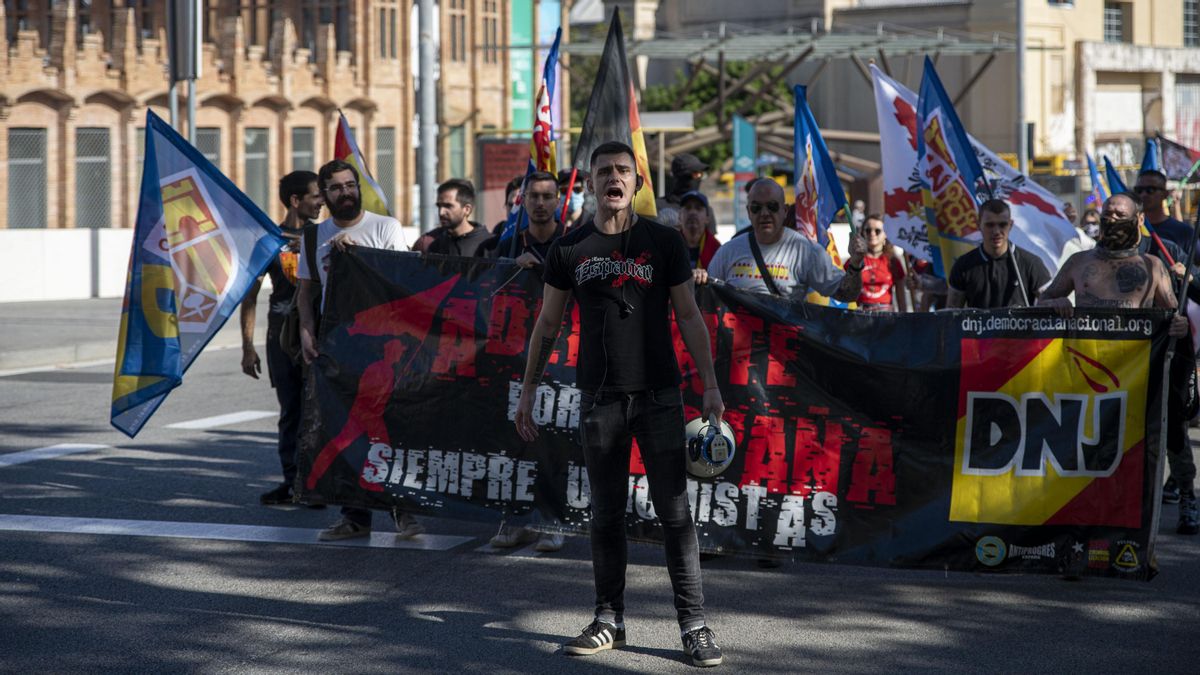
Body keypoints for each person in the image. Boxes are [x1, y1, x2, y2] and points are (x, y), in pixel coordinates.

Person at [515, 141, 726, 667]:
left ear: (637, 182)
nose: (613, 177)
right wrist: (527, 389)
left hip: (660, 396)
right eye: (604, 170)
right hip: (600, 400)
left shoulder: (664, 241)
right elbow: (547, 324)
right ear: (590, 182)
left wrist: (711, 384)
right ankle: (609, 618)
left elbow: (690, 317)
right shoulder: (570, 249)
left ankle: (694, 625)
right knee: (606, 515)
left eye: (622, 171)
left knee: (675, 513)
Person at [1037, 192, 1197, 535]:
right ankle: (1088, 521)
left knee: (1169, 436)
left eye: (1119, 215)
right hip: (1089, 371)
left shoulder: (1152, 267)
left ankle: (1186, 493)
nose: (1111, 220)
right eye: (1107, 214)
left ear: (1137, 221)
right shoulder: (1079, 263)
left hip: (1141, 373)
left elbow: (1173, 313)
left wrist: (1180, 325)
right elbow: (1045, 296)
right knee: (1093, 447)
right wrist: (1056, 303)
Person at [296, 159, 424, 542]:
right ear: (325, 195)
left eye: (350, 185)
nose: (346, 192)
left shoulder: (384, 227)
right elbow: (306, 292)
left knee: (392, 429)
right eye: (336, 188)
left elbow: (401, 281)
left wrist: (357, 258)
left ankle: (405, 512)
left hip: (384, 346)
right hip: (337, 343)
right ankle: (354, 517)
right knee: (345, 429)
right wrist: (306, 332)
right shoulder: (312, 236)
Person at [240, 170, 325, 506]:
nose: (322, 202)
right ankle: (294, 482)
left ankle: (318, 480)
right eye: (316, 195)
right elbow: (250, 296)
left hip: (318, 335)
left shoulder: (324, 237)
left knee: (317, 411)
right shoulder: (269, 241)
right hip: (281, 338)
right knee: (291, 411)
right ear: (296, 200)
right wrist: (248, 348)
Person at [699, 178, 866, 304]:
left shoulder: (805, 251)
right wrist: (697, 279)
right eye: (757, 207)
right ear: (749, 212)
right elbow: (707, 300)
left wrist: (856, 264)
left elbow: (846, 294)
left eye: (772, 206)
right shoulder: (729, 251)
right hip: (739, 348)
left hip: (784, 348)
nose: (764, 213)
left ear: (785, 210)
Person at [946, 199, 1050, 309]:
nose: (996, 231)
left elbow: (1050, 303)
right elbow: (951, 314)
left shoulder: (1031, 263)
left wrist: (1059, 302)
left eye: (1002, 225)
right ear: (978, 225)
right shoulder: (963, 265)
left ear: (1011, 225)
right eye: (990, 225)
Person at [478, 171, 563, 272]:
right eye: (534, 196)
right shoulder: (508, 247)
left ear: (558, 202)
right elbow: (492, 283)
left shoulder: (576, 241)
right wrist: (512, 266)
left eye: (547, 196)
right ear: (523, 201)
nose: (540, 203)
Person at [425, 179, 492, 257]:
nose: (441, 212)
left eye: (448, 206)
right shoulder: (435, 246)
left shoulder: (489, 245)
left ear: (466, 209)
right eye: (439, 206)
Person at [1136, 169, 1194, 258]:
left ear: (1165, 194)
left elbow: (1196, 267)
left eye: (1150, 190)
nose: (1143, 195)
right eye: (1139, 190)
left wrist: (1185, 271)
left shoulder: (1184, 232)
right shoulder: (1130, 230)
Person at [856, 214, 908, 312]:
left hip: (886, 316)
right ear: (863, 233)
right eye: (868, 230)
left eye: (877, 231)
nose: (872, 234)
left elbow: (901, 298)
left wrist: (903, 321)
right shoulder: (854, 261)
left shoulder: (893, 262)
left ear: (885, 234)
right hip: (860, 315)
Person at [657, 153, 717, 235]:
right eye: (696, 174)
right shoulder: (657, 207)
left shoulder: (705, 210)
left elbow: (711, 244)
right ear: (681, 177)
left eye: (701, 174)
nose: (699, 178)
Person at [677, 190, 720, 276]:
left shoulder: (717, 250)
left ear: (707, 218)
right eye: (688, 208)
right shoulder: (669, 246)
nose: (693, 212)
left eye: (698, 208)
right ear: (679, 216)